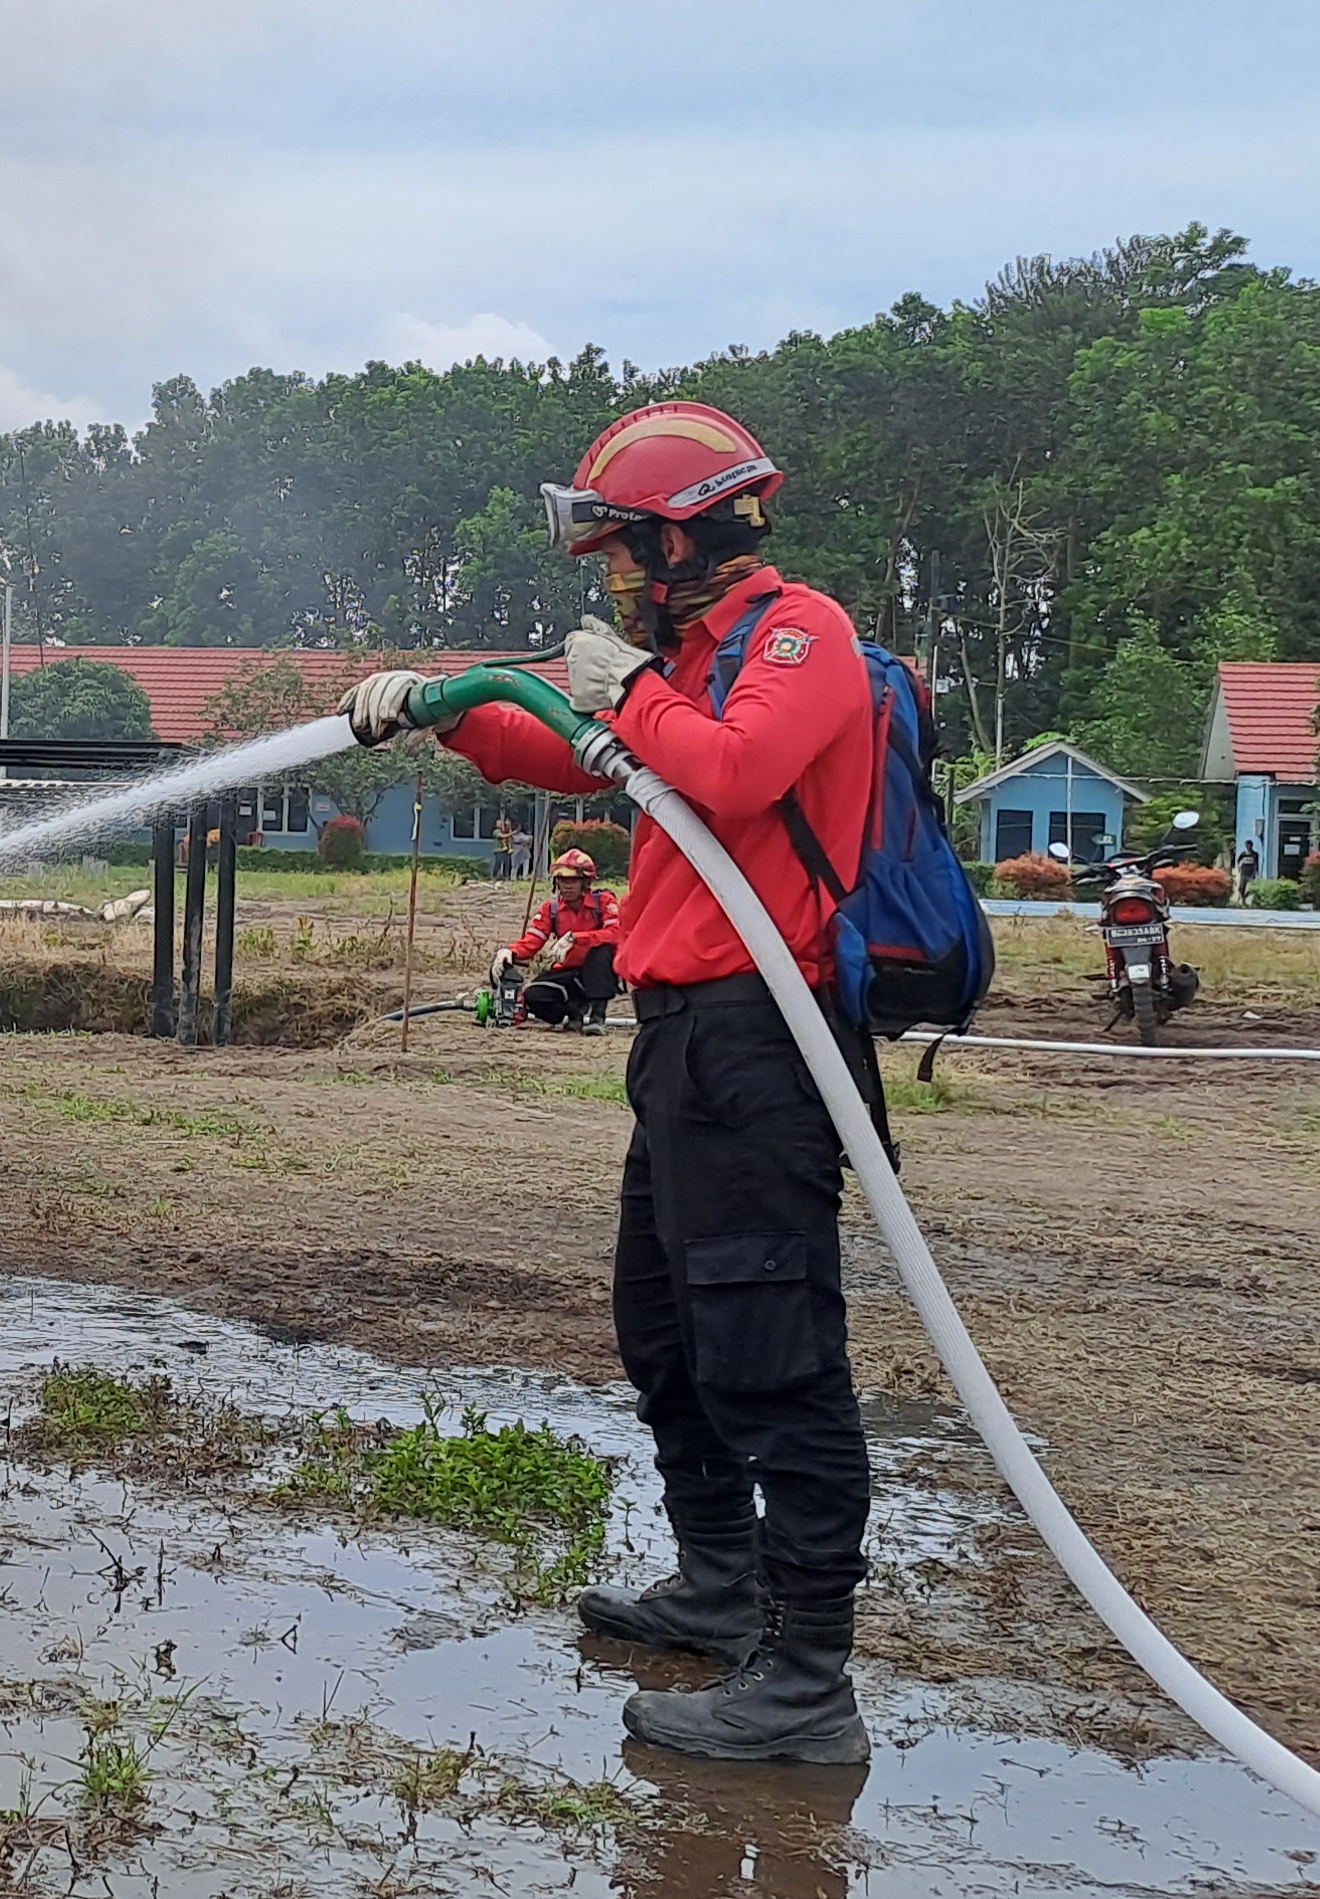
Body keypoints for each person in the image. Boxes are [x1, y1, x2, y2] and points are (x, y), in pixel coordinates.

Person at [345, 398, 885, 1765]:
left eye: (626, 554)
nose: (614, 582)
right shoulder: (679, 659)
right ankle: (720, 1580)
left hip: (772, 1039)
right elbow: (557, 746)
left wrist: (623, 690)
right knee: (665, 1327)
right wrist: (439, 708)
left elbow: (740, 770)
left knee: (774, 1355)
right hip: (682, 1038)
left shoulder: (796, 636)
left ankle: (810, 1679)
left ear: (691, 533)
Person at [503, 848, 624, 1031]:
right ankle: (573, 1013)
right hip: (567, 972)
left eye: (572, 880)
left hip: (598, 974)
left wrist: (576, 938)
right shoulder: (550, 909)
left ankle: (597, 1017)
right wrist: (509, 953)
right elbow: (533, 939)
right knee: (534, 996)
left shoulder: (604, 902)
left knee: (600, 953)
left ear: (585, 882)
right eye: (562, 880)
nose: (566, 886)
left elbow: (616, 934)